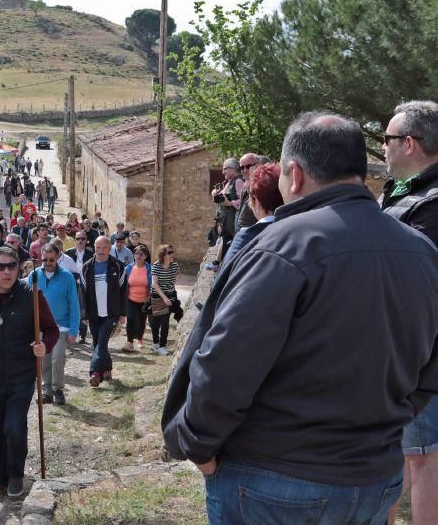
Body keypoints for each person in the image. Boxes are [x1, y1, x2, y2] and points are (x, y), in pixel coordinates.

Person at [161, 112, 438, 525]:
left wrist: (196, 444)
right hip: (373, 479)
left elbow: (225, 362)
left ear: (294, 174)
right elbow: (429, 370)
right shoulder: (420, 250)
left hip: (275, 479)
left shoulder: (279, 246)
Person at [379, 101, 438, 525]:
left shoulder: (430, 205)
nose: (383, 148)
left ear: (410, 144)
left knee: (425, 459)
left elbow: (414, 285)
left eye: (388, 139)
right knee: (406, 454)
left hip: (423, 355)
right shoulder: (407, 193)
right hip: (409, 355)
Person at [0, 246, 58, 498]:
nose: (7, 272)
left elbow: (51, 330)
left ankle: (15, 475)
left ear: (18, 267)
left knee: (14, 427)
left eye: (12, 266)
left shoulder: (32, 295)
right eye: (0, 267)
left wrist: (43, 346)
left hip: (22, 375)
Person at [35, 243, 80, 406]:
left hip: (61, 326)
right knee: (44, 360)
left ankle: (58, 389)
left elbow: (74, 304)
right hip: (41, 327)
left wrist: (74, 330)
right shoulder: (34, 275)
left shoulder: (67, 277)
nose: (48, 263)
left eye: (51, 259)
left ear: (58, 257)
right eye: (45, 259)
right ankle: (47, 391)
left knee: (57, 357)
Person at [80, 236, 127, 387]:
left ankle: (95, 373)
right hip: (94, 313)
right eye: (98, 247)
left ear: (109, 248)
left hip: (111, 312)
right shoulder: (86, 267)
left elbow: (123, 291)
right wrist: (84, 314)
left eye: (104, 248)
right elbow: (83, 292)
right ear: (94, 247)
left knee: (101, 341)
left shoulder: (118, 266)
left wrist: (123, 313)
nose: (100, 251)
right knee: (98, 342)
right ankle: (107, 369)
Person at [219, 163, 283, 272]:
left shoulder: (245, 237)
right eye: (241, 167)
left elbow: (221, 282)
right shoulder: (297, 234)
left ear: (256, 201)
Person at [148, 244, 179, 356]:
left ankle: (162, 345)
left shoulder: (175, 266)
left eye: (172, 252)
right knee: (154, 322)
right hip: (157, 296)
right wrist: (164, 297)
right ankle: (156, 343)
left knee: (165, 322)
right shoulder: (156, 265)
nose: (172, 254)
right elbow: (154, 284)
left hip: (169, 296)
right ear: (163, 255)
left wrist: (168, 296)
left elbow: (174, 281)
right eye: (169, 252)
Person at [121, 244, 152, 353]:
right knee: (131, 319)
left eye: (141, 254)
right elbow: (124, 283)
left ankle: (140, 339)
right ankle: (129, 342)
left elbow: (152, 285)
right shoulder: (128, 268)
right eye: (136, 253)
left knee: (142, 320)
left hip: (144, 300)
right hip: (131, 299)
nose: (138, 256)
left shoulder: (149, 269)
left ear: (145, 256)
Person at [212, 158, 244, 261]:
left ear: (233, 169)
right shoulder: (229, 182)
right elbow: (222, 198)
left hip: (233, 223)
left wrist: (230, 203)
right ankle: (219, 264)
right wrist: (215, 193)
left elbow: (244, 201)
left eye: (225, 168)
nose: (222, 172)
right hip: (227, 222)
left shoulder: (238, 181)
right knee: (225, 243)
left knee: (229, 245)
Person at [234, 153, 260, 230]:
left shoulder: (262, 187)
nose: (245, 170)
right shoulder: (245, 187)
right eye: (242, 167)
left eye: (248, 166)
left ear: (258, 165)